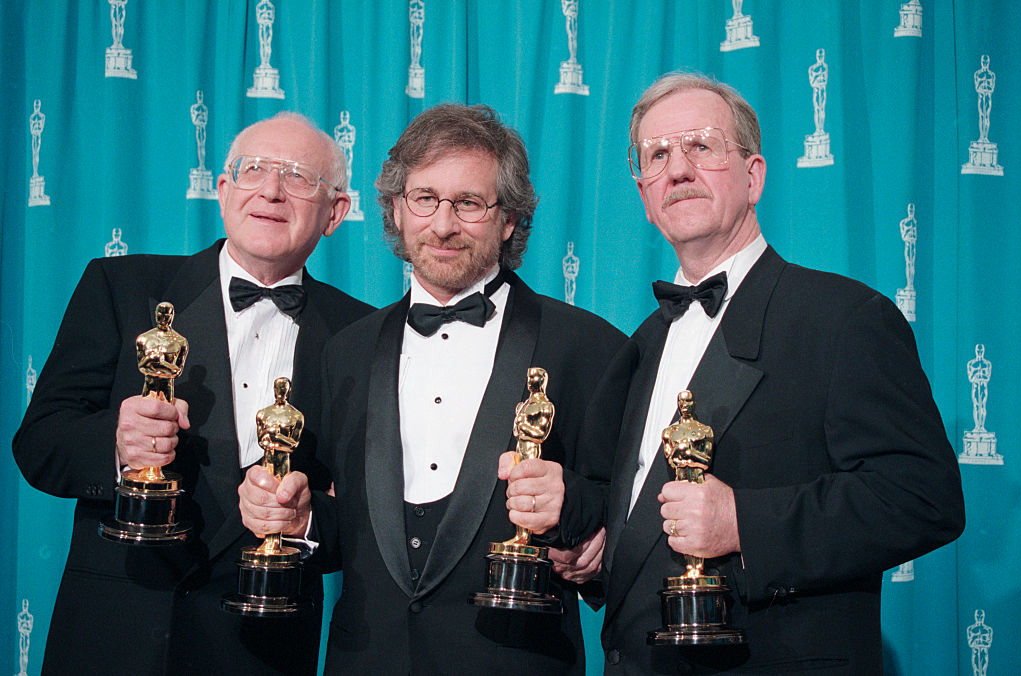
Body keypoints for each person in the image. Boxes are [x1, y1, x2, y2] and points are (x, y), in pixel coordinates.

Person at [590, 72, 964, 673]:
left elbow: (924, 497)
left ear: (754, 175)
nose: (677, 169)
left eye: (701, 146)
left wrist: (745, 523)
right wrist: (592, 555)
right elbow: (642, 539)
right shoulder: (639, 347)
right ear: (644, 193)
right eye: (657, 155)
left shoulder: (845, 319)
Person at [238, 103, 626, 674]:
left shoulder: (588, 346)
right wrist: (301, 523)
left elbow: (627, 518)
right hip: (366, 658)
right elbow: (345, 528)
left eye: (468, 203)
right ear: (396, 209)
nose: (442, 226)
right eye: (424, 199)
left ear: (510, 219)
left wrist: (579, 520)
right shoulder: (344, 351)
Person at [12, 112, 374, 675]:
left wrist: (306, 524)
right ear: (225, 191)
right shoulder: (122, 287)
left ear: (335, 213)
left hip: (264, 648)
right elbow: (39, 444)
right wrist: (118, 447)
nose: (272, 190)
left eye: (299, 177)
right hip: (116, 637)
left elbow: (373, 511)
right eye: (253, 170)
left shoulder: (365, 335)